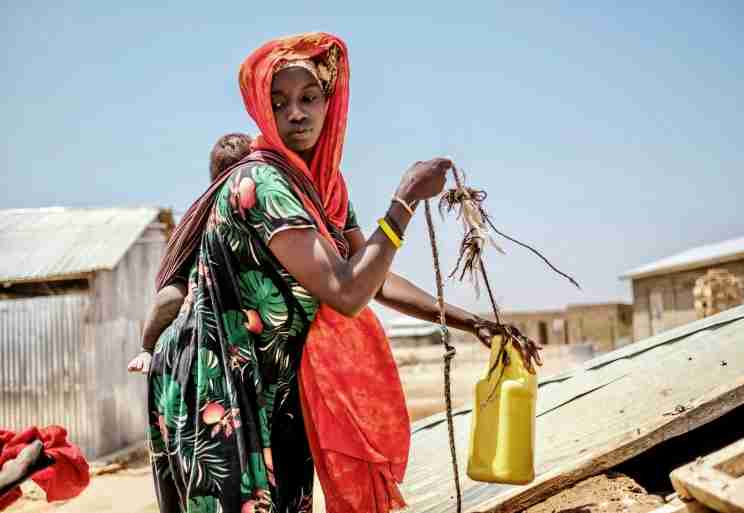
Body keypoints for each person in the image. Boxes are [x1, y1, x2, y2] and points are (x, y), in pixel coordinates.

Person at [148, 33, 537, 513]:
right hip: (219, 384)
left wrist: (470, 321)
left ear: (329, 103)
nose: (296, 113)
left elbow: (373, 278)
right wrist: (404, 201)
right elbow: (346, 292)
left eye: (309, 98)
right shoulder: (261, 182)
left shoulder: (323, 187)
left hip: (277, 385)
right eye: (279, 102)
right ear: (261, 110)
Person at [127, 133, 252, 374]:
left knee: (171, 296)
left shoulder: (200, 208)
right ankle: (145, 348)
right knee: (172, 296)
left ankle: (146, 349)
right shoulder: (234, 206)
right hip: (196, 288)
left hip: (195, 296)